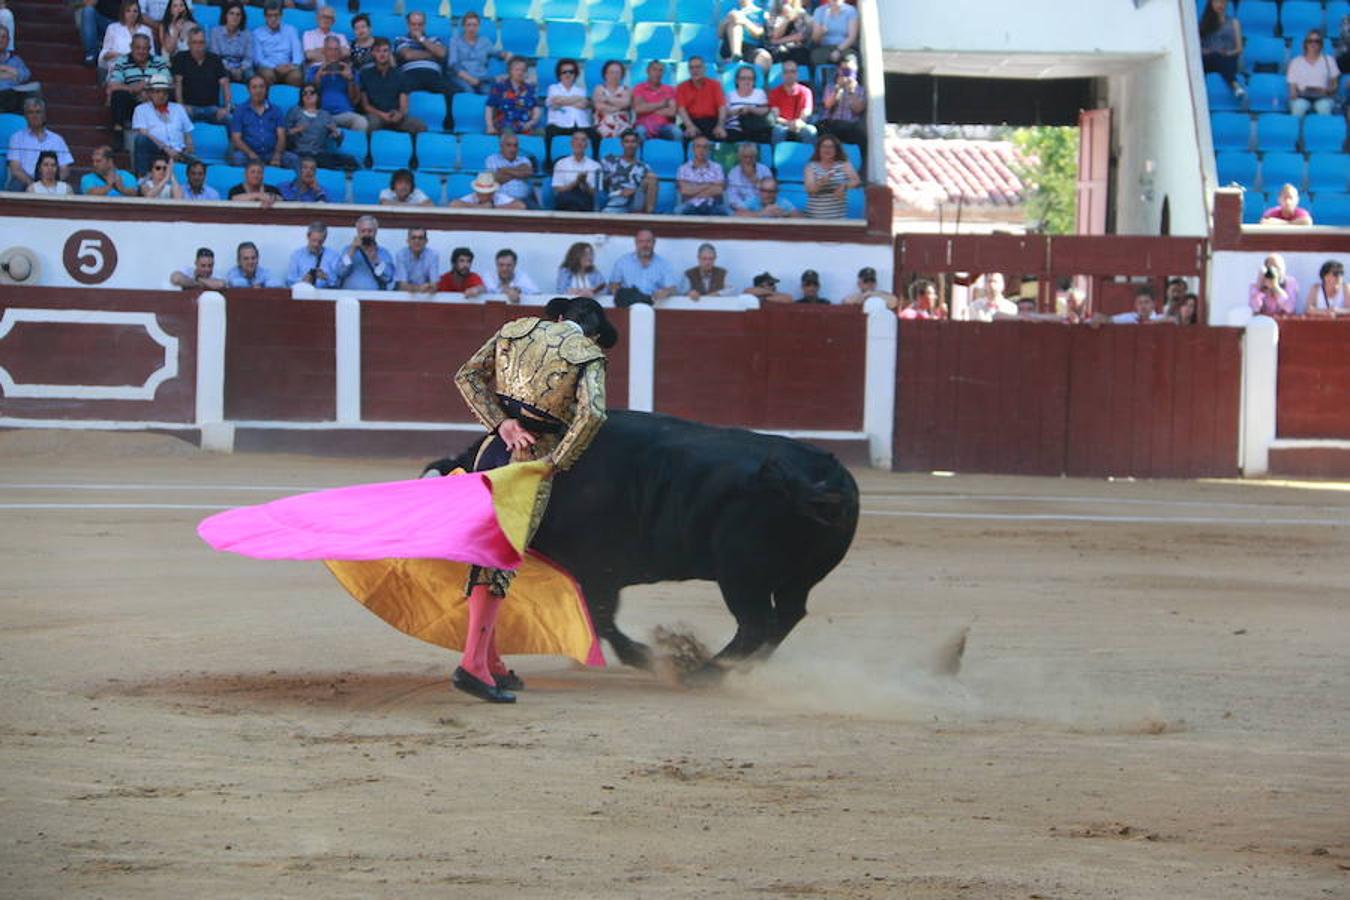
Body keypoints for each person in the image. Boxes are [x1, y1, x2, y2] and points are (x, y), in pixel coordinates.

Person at [447, 296, 616, 702]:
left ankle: (490, 660)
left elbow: (466, 376)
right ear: (592, 333)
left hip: (492, 450)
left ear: (559, 317)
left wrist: (502, 423)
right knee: (499, 558)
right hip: (531, 459)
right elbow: (593, 415)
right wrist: (556, 461)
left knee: (486, 552)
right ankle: (472, 664)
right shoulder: (588, 354)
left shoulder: (515, 329)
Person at [394, 10, 452, 129]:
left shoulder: (434, 39)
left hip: (432, 74)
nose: (416, 27)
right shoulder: (400, 39)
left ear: (424, 25)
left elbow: (441, 53)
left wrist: (421, 39)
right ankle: (400, 122)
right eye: (413, 24)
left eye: (419, 24)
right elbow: (408, 55)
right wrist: (432, 53)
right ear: (408, 24)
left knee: (450, 89)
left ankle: (449, 123)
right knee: (397, 89)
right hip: (410, 74)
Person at [131, 72, 196, 175]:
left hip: (178, 151)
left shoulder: (178, 108)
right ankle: (142, 177)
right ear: (150, 93)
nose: (161, 95)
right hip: (157, 152)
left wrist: (188, 147)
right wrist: (166, 149)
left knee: (198, 165)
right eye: (157, 92)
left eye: (164, 92)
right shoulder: (141, 110)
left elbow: (187, 131)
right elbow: (144, 133)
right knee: (141, 140)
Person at [286, 81, 359, 169]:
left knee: (350, 160)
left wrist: (336, 133)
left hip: (319, 153)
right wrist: (295, 130)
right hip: (299, 152)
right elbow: (284, 134)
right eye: (304, 93)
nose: (308, 95)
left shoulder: (325, 115)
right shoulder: (294, 111)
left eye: (312, 93)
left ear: (318, 96)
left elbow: (338, 139)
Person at [361, 37, 427, 135]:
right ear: (373, 53)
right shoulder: (365, 74)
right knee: (371, 124)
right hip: (376, 115)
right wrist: (383, 115)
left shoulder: (400, 75)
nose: (382, 54)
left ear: (390, 53)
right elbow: (365, 106)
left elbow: (404, 104)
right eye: (378, 51)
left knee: (420, 126)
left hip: (395, 115)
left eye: (385, 51)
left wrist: (399, 114)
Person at [6, 98, 73, 192]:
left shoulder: (57, 139)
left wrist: (51, 184)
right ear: (25, 116)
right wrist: (34, 185)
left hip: (51, 181)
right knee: (15, 185)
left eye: (38, 112)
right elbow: (15, 168)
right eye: (30, 112)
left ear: (44, 115)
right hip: (26, 181)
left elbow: (65, 169)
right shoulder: (16, 138)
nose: (34, 116)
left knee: (69, 189)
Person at [107, 33, 169, 132]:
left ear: (149, 49)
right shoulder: (122, 61)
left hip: (155, 100)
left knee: (167, 94)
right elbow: (113, 85)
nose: (141, 51)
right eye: (138, 48)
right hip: (133, 101)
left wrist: (148, 90)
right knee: (118, 95)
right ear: (131, 47)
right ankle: (119, 132)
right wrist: (134, 89)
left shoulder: (158, 61)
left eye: (145, 48)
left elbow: (167, 80)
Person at [229, 74, 295, 168]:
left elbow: (281, 136)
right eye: (254, 87)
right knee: (238, 158)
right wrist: (251, 154)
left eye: (261, 87)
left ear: (266, 89)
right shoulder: (240, 111)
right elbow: (236, 138)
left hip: (271, 153)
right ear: (248, 90)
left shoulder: (276, 110)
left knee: (294, 160)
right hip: (248, 154)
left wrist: (277, 155)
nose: (258, 90)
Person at [307, 34, 367, 133]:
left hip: (344, 114)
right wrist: (318, 78)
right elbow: (308, 99)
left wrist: (350, 80)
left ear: (340, 52)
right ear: (324, 51)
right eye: (330, 49)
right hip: (321, 114)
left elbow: (354, 101)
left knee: (361, 122)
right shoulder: (314, 70)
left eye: (336, 49)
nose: (333, 53)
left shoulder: (350, 71)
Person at [173, 27, 230, 123]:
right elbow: (178, 83)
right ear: (188, 44)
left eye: (201, 42)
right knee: (176, 121)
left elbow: (225, 83)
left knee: (231, 119)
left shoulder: (215, 59)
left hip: (212, 109)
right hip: (189, 108)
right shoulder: (180, 58)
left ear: (205, 43)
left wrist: (226, 107)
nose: (198, 46)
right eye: (194, 42)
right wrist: (181, 106)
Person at [607, 228, 677, 303]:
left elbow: (672, 288)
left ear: (654, 243)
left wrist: (665, 292)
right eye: (641, 241)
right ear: (636, 243)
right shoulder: (622, 262)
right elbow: (613, 284)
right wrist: (618, 292)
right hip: (628, 305)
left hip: (655, 304)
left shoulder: (664, 264)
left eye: (648, 241)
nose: (645, 245)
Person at [447, 11, 505, 95]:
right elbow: (453, 64)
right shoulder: (455, 41)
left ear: (478, 26)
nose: (472, 28)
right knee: (469, 91)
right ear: (463, 26)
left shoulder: (485, 41)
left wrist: (506, 54)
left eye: (475, 25)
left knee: (489, 93)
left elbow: (495, 52)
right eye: (469, 25)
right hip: (462, 76)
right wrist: (470, 79)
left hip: (481, 77)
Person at [599, 128, 657, 214]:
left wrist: (634, 190)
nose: (630, 145)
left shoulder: (644, 167)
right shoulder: (609, 160)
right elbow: (601, 184)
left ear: (637, 144)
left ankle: (648, 219)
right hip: (617, 198)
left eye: (633, 142)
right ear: (622, 144)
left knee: (652, 177)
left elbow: (647, 188)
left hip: (636, 199)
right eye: (627, 142)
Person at [803, 133, 860, 218]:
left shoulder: (844, 164)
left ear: (836, 149)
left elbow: (856, 181)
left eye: (831, 147)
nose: (827, 149)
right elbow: (810, 189)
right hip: (815, 217)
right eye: (824, 146)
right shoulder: (811, 166)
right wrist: (821, 183)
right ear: (819, 149)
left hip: (838, 217)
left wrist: (844, 186)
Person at [1287, 29, 1340, 117]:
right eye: (1310, 41)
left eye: (1317, 41)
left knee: (1324, 107)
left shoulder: (1329, 60)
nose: (1313, 43)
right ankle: (1296, 130)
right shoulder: (1296, 62)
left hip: (1323, 96)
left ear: (1321, 44)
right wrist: (1294, 94)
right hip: (1302, 96)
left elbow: (1335, 83)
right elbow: (1292, 86)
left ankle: (1323, 130)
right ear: (1305, 44)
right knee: (1298, 106)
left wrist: (1329, 90)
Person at [544, 57, 591, 155]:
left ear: (575, 74)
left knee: (595, 135)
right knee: (549, 132)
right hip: (558, 125)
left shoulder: (581, 90)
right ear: (559, 74)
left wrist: (563, 101)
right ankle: (548, 162)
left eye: (571, 72)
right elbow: (554, 101)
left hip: (579, 125)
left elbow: (583, 104)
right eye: (564, 72)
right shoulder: (553, 88)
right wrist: (575, 99)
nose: (568, 74)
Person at [336, 214, 395, 290]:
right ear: (357, 231)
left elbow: (388, 278)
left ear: (376, 232)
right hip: (351, 297)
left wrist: (375, 259)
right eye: (363, 231)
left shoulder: (383, 253)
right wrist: (352, 250)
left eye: (370, 231)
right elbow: (340, 272)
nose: (366, 234)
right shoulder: (348, 250)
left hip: (375, 298)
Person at [1199, 0, 1244, 99]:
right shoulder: (1203, 24)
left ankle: (1234, 85)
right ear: (1211, 4)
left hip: (1228, 58)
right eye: (1217, 2)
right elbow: (1197, 47)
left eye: (1223, 2)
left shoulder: (1234, 23)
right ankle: (1234, 84)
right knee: (1213, 56)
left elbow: (1239, 49)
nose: (1220, 5)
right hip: (1209, 58)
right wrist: (1204, 51)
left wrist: (1228, 53)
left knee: (1220, 57)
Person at [253, 0, 304, 87]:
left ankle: (292, 100)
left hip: (288, 68)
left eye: (276, 15)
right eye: (270, 15)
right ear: (265, 17)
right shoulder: (257, 33)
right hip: (269, 67)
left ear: (281, 15)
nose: (273, 19)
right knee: (267, 75)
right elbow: (258, 59)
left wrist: (292, 66)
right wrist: (275, 67)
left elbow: (297, 53)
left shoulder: (291, 30)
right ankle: (266, 100)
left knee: (296, 76)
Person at [675, 56, 727, 140]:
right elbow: (681, 110)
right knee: (684, 136)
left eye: (698, 67)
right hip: (691, 121)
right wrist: (690, 126)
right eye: (691, 68)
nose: (695, 70)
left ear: (704, 69)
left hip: (711, 122)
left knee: (720, 135)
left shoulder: (715, 85)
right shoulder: (681, 87)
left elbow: (722, 108)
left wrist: (720, 126)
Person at [485, 56, 539, 135]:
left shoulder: (530, 89)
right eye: (517, 69)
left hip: (525, 125)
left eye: (523, 70)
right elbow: (489, 107)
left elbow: (536, 108)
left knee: (541, 133)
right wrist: (490, 126)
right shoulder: (500, 87)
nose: (520, 73)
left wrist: (532, 122)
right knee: (509, 134)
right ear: (510, 71)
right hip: (504, 125)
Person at [818, 54, 865, 145]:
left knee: (860, 136)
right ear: (839, 70)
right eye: (844, 70)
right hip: (831, 123)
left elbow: (858, 109)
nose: (846, 73)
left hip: (849, 125)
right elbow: (828, 105)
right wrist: (837, 89)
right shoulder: (830, 86)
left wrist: (851, 92)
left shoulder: (860, 90)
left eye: (849, 71)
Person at [550, 129, 601, 212]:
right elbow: (557, 189)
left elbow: (595, 193)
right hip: (565, 199)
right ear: (571, 143)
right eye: (576, 139)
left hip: (585, 199)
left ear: (587, 145)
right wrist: (575, 183)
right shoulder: (561, 163)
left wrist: (584, 183)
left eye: (583, 140)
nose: (579, 143)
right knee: (566, 199)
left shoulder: (595, 166)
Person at [675, 134, 726, 215]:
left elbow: (718, 190)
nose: (701, 150)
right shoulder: (683, 168)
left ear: (709, 150)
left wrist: (694, 190)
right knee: (679, 210)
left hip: (712, 205)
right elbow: (685, 191)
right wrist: (709, 184)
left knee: (724, 211)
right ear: (693, 149)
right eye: (698, 146)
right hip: (690, 205)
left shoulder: (717, 167)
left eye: (705, 147)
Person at [99, 0, 154, 75]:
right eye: (128, 11)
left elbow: (152, 54)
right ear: (123, 12)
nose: (132, 14)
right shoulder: (112, 28)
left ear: (139, 13)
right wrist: (115, 55)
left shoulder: (146, 30)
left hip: (141, 70)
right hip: (118, 69)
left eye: (135, 11)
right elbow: (103, 54)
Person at [485, 130, 538, 208]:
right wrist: (518, 172)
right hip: (502, 200)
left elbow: (528, 172)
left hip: (525, 199)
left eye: (515, 145)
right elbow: (496, 179)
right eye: (508, 145)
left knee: (542, 212)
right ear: (501, 146)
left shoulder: (524, 160)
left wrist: (504, 170)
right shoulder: (491, 159)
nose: (512, 149)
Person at [768, 59, 815, 144]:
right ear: (782, 74)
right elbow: (775, 115)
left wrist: (798, 122)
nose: (789, 74)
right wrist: (789, 123)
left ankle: (811, 157)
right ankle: (776, 156)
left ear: (797, 74)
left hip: (800, 124)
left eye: (792, 71)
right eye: (786, 72)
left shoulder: (806, 91)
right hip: (782, 125)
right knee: (777, 131)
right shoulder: (774, 93)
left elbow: (806, 112)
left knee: (810, 131)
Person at [632, 59, 677, 140]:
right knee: (640, 131)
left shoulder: (669, 89)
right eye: (654, 69)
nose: (657, 73)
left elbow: (672, 112)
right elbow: (638, 109)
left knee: (677, 132)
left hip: (665, 126)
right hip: (643, 125)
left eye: (660, 70)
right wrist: (662, 104)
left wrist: (648, 108)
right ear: (647, 71)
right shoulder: (639, 88)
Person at [724, 65, 771, 143]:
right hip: (734, 128)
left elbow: (765, 110)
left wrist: (750, 109)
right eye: (743, 79)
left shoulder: (760, 93)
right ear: (737, 81)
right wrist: (740, 111)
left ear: (754, 81)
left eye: (750, 79)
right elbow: (725, 114)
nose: (747, 81)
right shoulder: (730, 95)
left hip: (755, 127)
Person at [209, 1, 253, 84]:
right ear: (226, 15)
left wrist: (240, 69)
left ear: (241, 17)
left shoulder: (247, 34)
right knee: (220, 74)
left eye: (238, 14)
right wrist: (231, 69)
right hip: (223, 66)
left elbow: (249, 58)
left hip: (242, 68)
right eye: (231, 13)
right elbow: (215, 57)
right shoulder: (215, 32)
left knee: (252, 77)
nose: (235, 17)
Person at [287, 220, 341, 287]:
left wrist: (326, 278)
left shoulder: (333, 256)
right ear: (308, 236)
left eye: (320, 242)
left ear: (325, 239)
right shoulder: (296, 256)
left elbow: (338, 283)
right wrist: (302, 281)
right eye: (314, 240)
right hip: (303, 294)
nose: (316, 244)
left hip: (325, 295)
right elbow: (289, 282)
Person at [761, 0, 811, 70]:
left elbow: (801, 36)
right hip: (776, 49)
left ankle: (802, 80)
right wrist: (787, 19)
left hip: (795, 47)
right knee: (780, 53)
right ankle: (777, 80)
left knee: (800, 53)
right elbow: (774, 36)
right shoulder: (771, 14)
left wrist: (778, 41)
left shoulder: (801, 13)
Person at [591, 59, 633, 139]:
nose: (615, 75)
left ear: (622, 75)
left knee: (630, 136)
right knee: (593, 135)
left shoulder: (626, 89)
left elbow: (626, 103)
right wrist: (619, 106)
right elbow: (599, 107)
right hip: (601, 124)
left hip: (622, 125)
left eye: (618, 73)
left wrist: (606, 99)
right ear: (605, 74)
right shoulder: (599, 88)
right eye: (611, 72)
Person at [725, 140, 771, 212]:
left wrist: (755, 181)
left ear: (755, 157)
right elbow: (732, 197)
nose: (748, 160)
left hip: (762, 207)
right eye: (745, 157)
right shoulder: (733, 173)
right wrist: (745, 209)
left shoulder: (764, 170)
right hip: (740, 210)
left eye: (751, 157)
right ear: (739, 157)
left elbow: (770, 192)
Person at [810, 0, 858, 67]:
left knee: (850, 60)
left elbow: (852, 37)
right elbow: (815, 39)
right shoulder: (819, 11)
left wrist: (838, 50)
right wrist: (821, 32)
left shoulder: (850, 11)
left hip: (845, 47)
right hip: (825, 48)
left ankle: (847, 77)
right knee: (815, 57)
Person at [393, 226, 440, 293]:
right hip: (405, 297)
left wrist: (429, 287)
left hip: (425, 297)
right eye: (413, 238)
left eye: (420, 238)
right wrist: (419, 288)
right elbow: (402, 286)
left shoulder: (433, 255)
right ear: (408, 241)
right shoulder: (401, 255)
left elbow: (435, 285)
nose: (417, 241)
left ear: (426, 241)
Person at [451, 169, 526, 208]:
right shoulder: (472, 197)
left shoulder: (499, 197)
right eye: (482, 193)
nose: (485, 196)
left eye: (488, 193)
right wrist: (478, 208)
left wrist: (493, 208)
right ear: (477, 192)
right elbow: (454, 204)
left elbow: (521, 206)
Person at [81, 0, 125, 67]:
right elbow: (88, 3)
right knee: (88, 11)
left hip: (118, 23)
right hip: (100, 20)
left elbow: (130, 8)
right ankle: (91, 55)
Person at [0, 23, 31, 114]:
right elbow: (16, 75)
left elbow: (25, 75)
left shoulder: (16, 61)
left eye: (3, 37)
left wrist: (4, 68)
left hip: (10, 103)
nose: (0, 40)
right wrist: (10, 73)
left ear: (8, 41)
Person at [734, 175, 799, 217]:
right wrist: (761, 213)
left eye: (771, 191)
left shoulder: (782, 202)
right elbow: (736, 215)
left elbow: (800, 217)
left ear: (776, 192)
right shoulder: (753, 200)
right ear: (759, 191)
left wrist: (785, 214)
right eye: (764, 190)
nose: (767, 194)